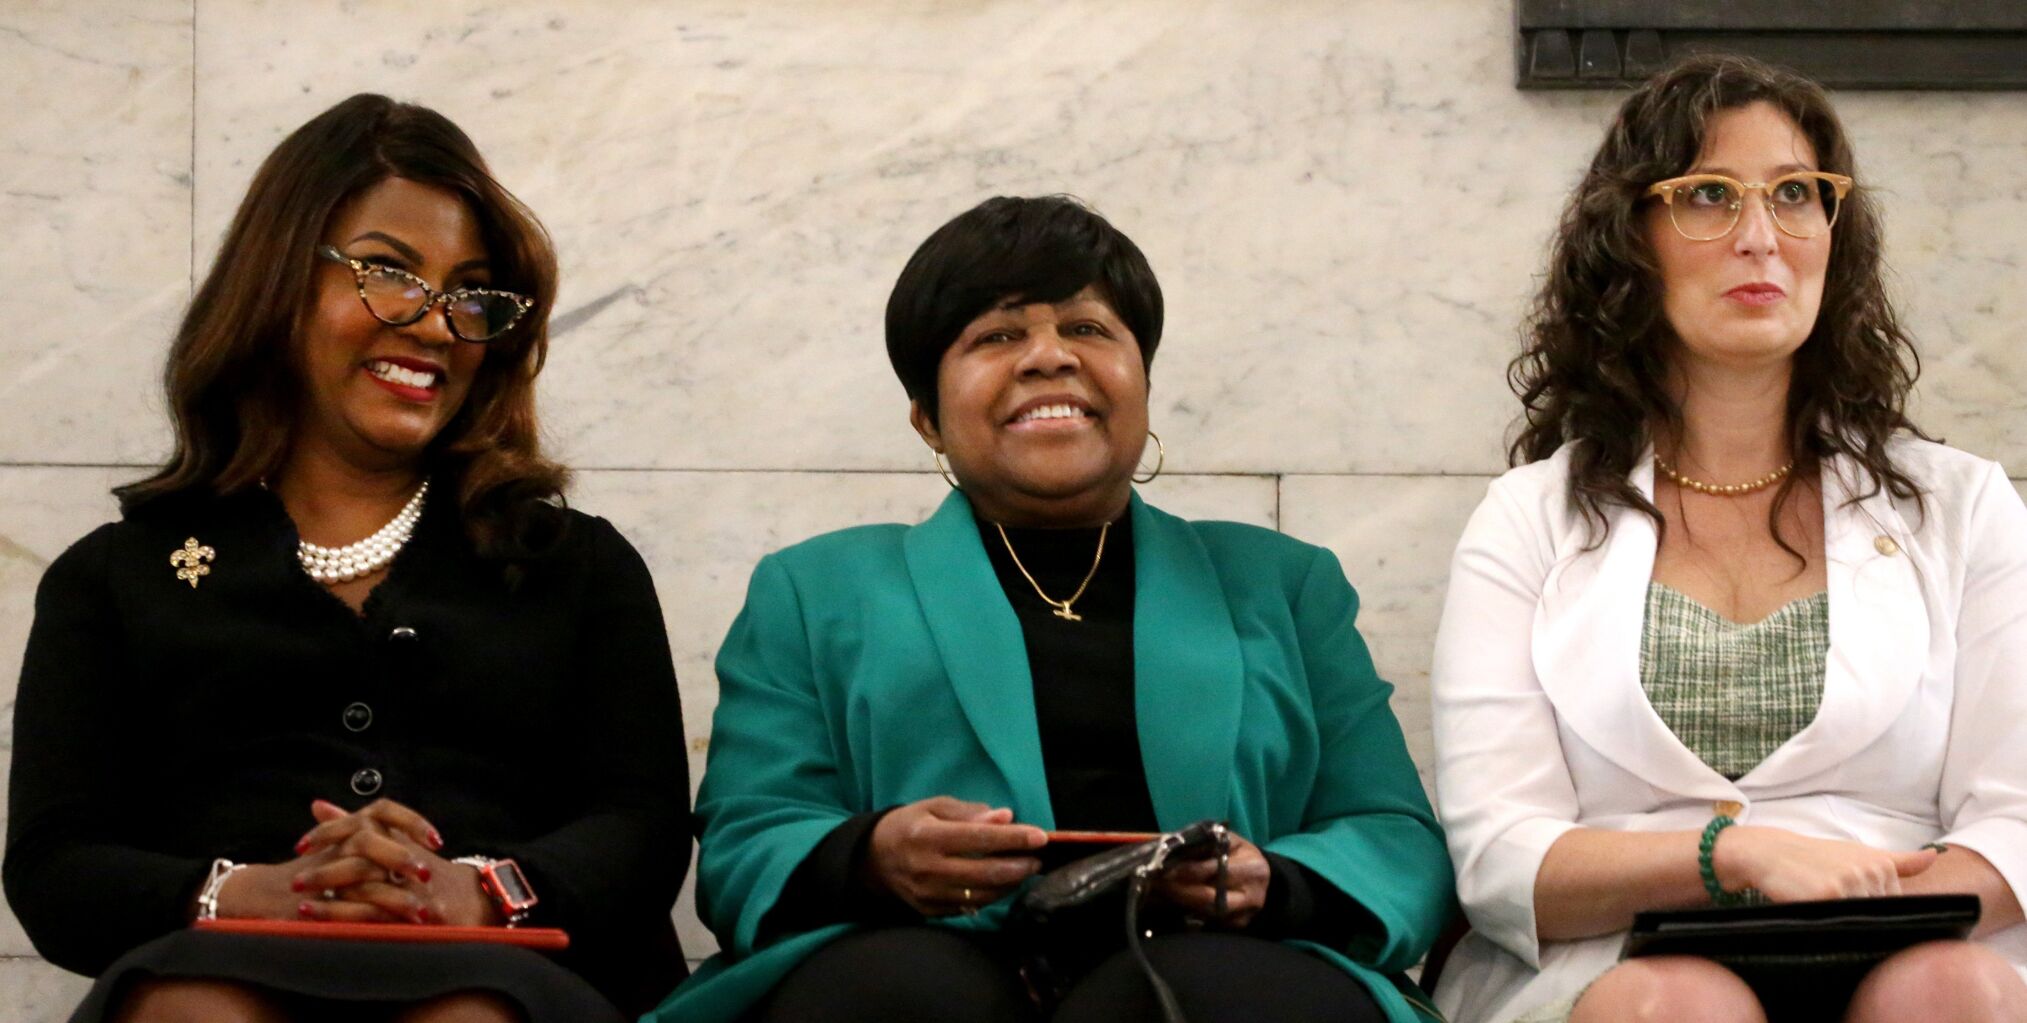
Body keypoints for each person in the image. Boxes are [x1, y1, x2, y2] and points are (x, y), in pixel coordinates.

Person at [649, 195, 1453, 1023]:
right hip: (910, 966)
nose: (1049, 358)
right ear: (927, 417)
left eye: (1088, 329)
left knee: (1203, 994)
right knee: (907, 995)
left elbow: (1390, 833)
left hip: (1221, 969)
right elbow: (747, 839)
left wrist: (1268, 885)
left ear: (1140, 384)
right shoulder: (815, 589)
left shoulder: (1283, 582)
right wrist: (874, 856)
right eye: (996, 336)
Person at [5, 94, 690, 1023]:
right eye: (389, 274)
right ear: (279, 280)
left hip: (504, 980)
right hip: (216, 973)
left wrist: (482, 891)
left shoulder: (575, 565)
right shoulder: (113, 579)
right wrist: (250, 893)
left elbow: (642, 830)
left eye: (469, 294)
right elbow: (56, 864)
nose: (437, 326)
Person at [1429, 54, 2027, 1023]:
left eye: (1794, 194)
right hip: (1621, 957)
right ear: (1630, 239)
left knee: (1949, 993)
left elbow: (2017, 820)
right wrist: (1732, 856)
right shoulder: (1525, 520)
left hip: (1917, 934)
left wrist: (1851, 908)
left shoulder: (1962, 507)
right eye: (1707, 195)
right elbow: (1503, 855)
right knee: (1676, 1008)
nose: (1760, 237)